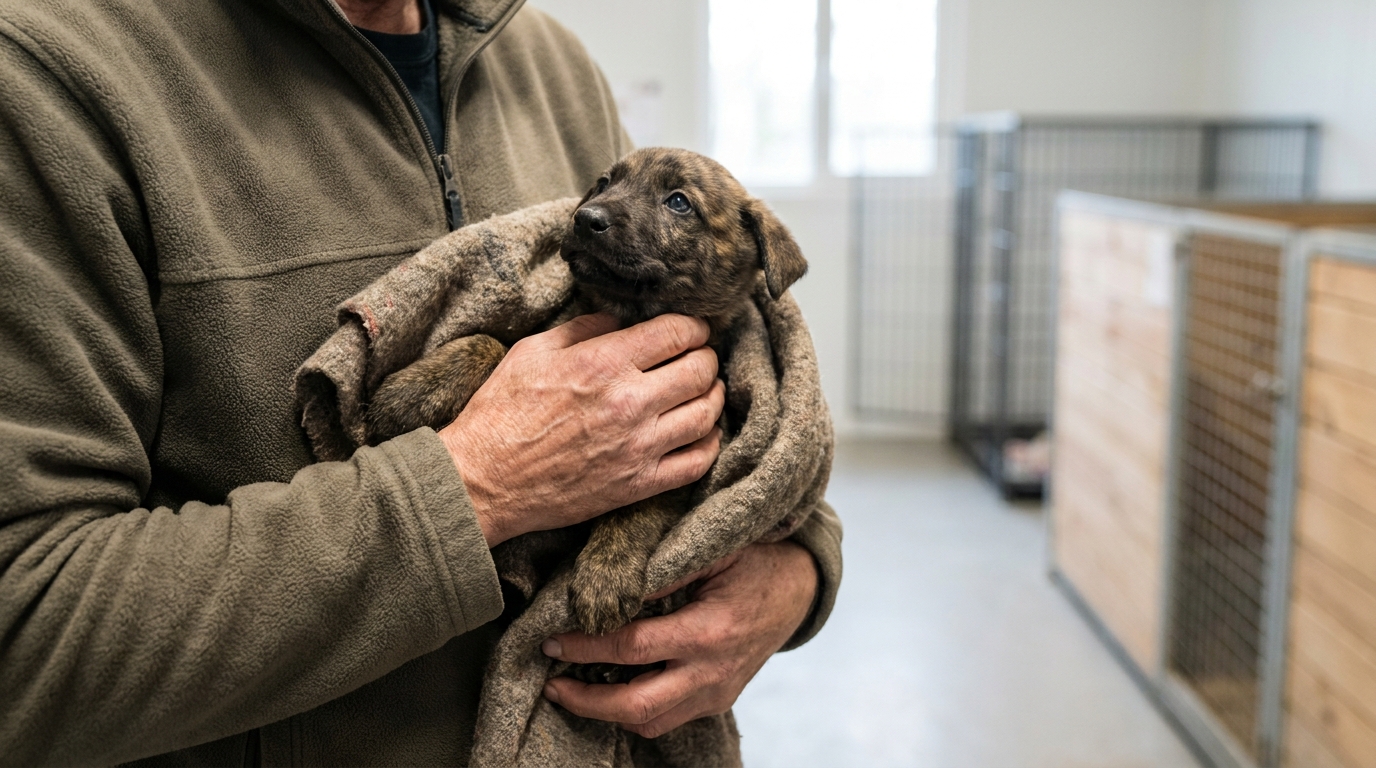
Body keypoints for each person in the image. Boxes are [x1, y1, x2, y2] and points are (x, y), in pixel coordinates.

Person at [0, 0, 843, 764]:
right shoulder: (49, 71)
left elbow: (717, 399)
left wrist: (791, 579)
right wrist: (477, 485)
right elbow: (26, 631)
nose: (600, 208)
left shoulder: (549, 62)